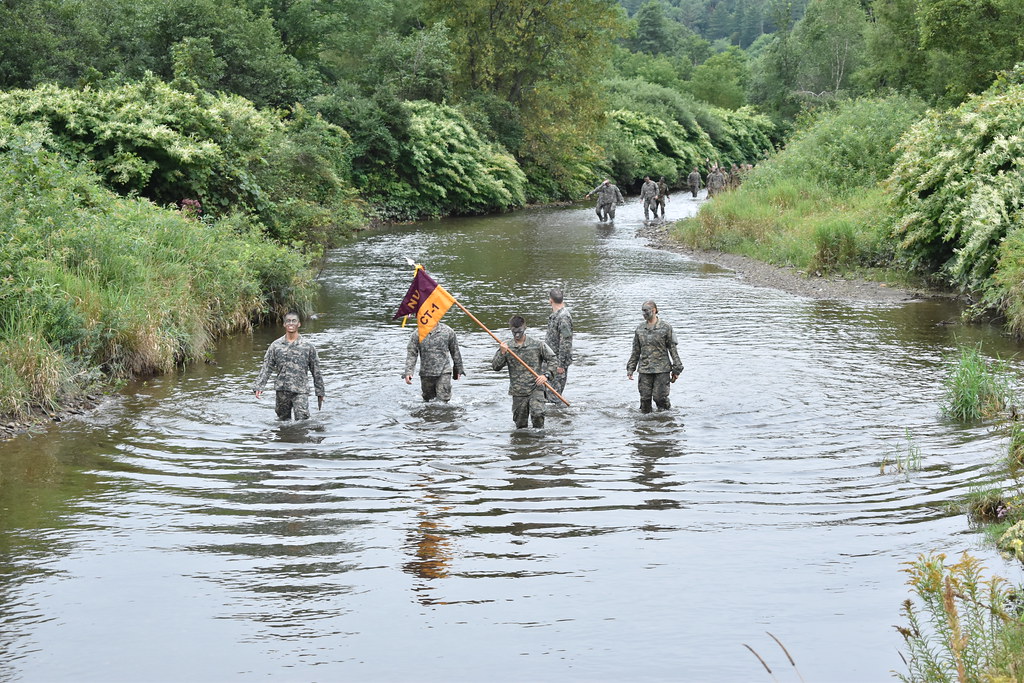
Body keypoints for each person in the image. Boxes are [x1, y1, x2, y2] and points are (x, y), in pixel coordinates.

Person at [253, 311, 325, 420]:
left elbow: (316, 371)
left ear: (299, 324)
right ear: (284, 324)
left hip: (300, 390)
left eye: (294, 321)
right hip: (282, 390)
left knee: (302, 421)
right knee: (283, 421)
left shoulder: (308, 347)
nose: (291, 323)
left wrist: (320, 392)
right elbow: (267, 367)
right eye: (288, 321)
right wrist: (259, 385)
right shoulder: (275, 346)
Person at [492, 315, 556, 428]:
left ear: (525, 328)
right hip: (518, 392)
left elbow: (553, 360)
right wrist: (502, 353)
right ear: (510, 329)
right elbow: (495, 367)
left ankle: (539, 443)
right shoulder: (507, 347)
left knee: (538, 415)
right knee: (520, 425)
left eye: (519, 331)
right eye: (514, 332)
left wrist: (546, 375)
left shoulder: (537, 344)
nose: (517, 335)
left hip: (536, 388)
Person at [626, 300, 683, 413]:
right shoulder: (640, 329)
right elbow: (636, 351)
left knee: (660, 398)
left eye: (646, 311)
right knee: (645, 400)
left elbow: (673, 349)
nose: (644, 314)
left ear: (654, 310)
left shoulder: (666, 327)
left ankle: (666, 421)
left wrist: (677, 369)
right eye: (643, 311)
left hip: (662, 369)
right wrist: (630, 368)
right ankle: (645, 425)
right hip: (645, 369)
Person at [403, 321, 465, 402]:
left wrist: (458, 369)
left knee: (443, 399)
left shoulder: (447, 331)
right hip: (426, 373)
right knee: (428, 400)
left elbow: (455, 351)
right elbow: (412, 353)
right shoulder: (417, 333)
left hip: (444, 371)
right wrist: (408, 372)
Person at [545, 288, 573, 401]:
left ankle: (561, 416)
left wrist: (560, 365)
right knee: (547, 394)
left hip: (557, 363)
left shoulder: (564, 317)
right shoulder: (555, 315)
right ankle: (557, 418)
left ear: (550, 300)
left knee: (554, 396)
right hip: (551, 361)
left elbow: (565, 342)